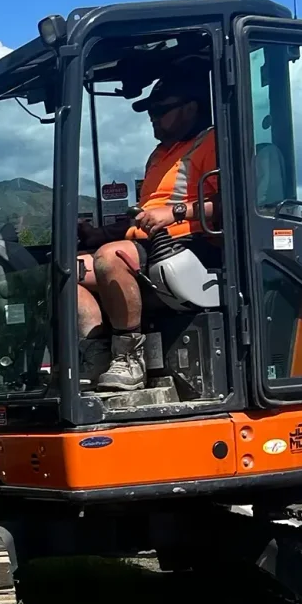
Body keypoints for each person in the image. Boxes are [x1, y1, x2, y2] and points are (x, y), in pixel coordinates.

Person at [77, 69, 219, 391]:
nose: (153, 119)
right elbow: (144, 214)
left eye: (160, 110)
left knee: (111, 259)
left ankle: (129, 357)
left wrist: (175, 212)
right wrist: (98, 233)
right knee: (69, 271)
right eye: (150, 113)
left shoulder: (211, 142)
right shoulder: (159, 155)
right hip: (147, 243)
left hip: (190, 244)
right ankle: (96, 352)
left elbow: (228, 205)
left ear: (190, 107)